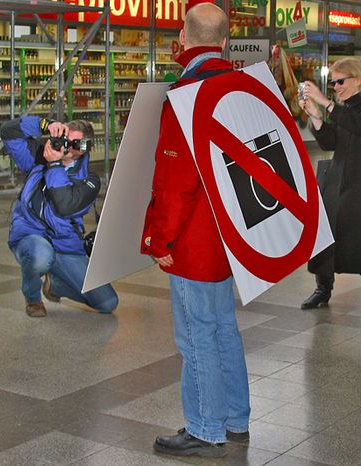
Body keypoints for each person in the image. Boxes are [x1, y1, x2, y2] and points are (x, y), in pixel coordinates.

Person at [140, 2, 249, 458]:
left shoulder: (186, 93)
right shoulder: (243, 88)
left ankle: (205, 426)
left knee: (196, 333)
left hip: (193, 240)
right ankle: (236, 418)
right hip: (229, 235)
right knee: (225, 326)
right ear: (225, 41)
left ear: (184, 38)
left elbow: (175, 181)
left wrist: (158, 239)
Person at [298, 58, 361, 329]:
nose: (336, 87)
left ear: (357, 78)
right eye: (332, 84)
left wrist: (327, 104)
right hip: (338, 177)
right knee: (325, 237)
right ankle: (323, 288)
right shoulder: (345, 109)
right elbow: (332, 142)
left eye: (340, 81)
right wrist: (316, 117)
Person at [1, 117, 118, 318]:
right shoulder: (38, 157)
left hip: (64, 245)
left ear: (86, 148)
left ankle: (55, 286)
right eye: (64, 141)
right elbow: (8, 132)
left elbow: (64, 205)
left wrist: (54, 164)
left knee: (107, 302)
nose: (68, 149)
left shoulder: (90, 180)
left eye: (75, 144)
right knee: (41, 256)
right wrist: (43, 124)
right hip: (30, 236)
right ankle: (33, 299)